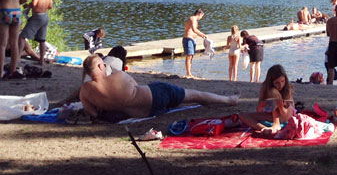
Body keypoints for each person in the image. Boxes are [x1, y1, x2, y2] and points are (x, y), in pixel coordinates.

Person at [79, 55, 236, 120]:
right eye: (104, 64)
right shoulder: (118, 76)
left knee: (187, 99)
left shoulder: (85, 91)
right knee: (193, 94)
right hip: (156, 95)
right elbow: (136, 86)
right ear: (100, 66)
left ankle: (209, 101)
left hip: (145, 113)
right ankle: (229, 100)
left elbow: (94, 114)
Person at [239, 64, 295, 134]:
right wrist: (264, 103)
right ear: (271, 82)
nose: (280, 85)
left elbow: (285, 113)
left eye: (283, 81)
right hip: (270, 114)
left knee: (275, 99)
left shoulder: (287, 88)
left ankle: (276, 125)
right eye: (277, 83)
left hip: (286, 114)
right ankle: (263, 128)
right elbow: (259, 109)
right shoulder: (265, 88)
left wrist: (280, 105)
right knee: (242, 115)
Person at [0, 0, 29, 79]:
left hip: (4, 11)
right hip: (17, 12)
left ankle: (0, 71)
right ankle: (12, 70)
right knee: (14, 43)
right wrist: (17, 3)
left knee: (2, 44)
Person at [20, 0, 53, 69]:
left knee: (22, 36)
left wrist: (27, 5)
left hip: (37, 16)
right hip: (45, 17)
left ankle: (17, 58)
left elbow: (34, 4)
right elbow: (50, 6)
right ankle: (41, 61)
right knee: (42, 40)